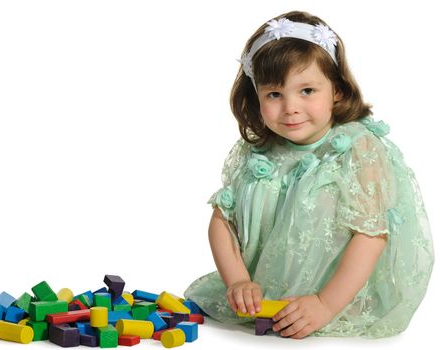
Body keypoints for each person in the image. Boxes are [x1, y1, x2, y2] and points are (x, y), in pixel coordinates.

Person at [183, 10, 434, 339]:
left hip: (340, 294)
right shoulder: (258, 150)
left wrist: (325, 304)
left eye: (307, 91)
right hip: (266, 299)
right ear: (255, 97)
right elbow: (223, 220)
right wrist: (238, 281)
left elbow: (371, 235)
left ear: (337, 91)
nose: (290, 107)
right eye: (274, 94)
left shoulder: (358, 149)